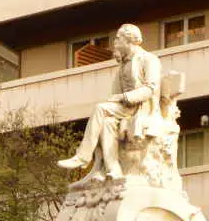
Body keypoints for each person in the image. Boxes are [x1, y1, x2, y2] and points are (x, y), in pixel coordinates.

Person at [57, 23, 163, 181]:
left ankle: (83, 156)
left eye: (118, 39)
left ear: (129, 40)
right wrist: (120, 97)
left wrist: (124, 97)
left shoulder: (148, 59)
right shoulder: (123, 64)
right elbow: (116, 92)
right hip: (125, 108)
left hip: (141, 107)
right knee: (106, 123)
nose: (114, 42)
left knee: (100, 108)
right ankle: (113, 169)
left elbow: (150, 88)